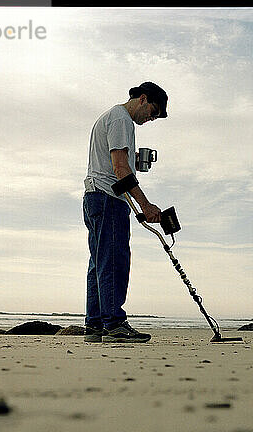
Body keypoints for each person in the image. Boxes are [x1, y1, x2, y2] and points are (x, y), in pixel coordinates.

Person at [82, 82, 168, 343]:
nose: (151, 118)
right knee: (114, 261)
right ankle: (114, 324)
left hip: (95, 196)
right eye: (153, 112)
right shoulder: (122, 120)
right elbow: (120, 169)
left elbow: (119, 165)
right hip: (108, 199)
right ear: (142, 99)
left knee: (99, 262)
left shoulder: (111, 117)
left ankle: (95, 326)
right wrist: (146, 205)